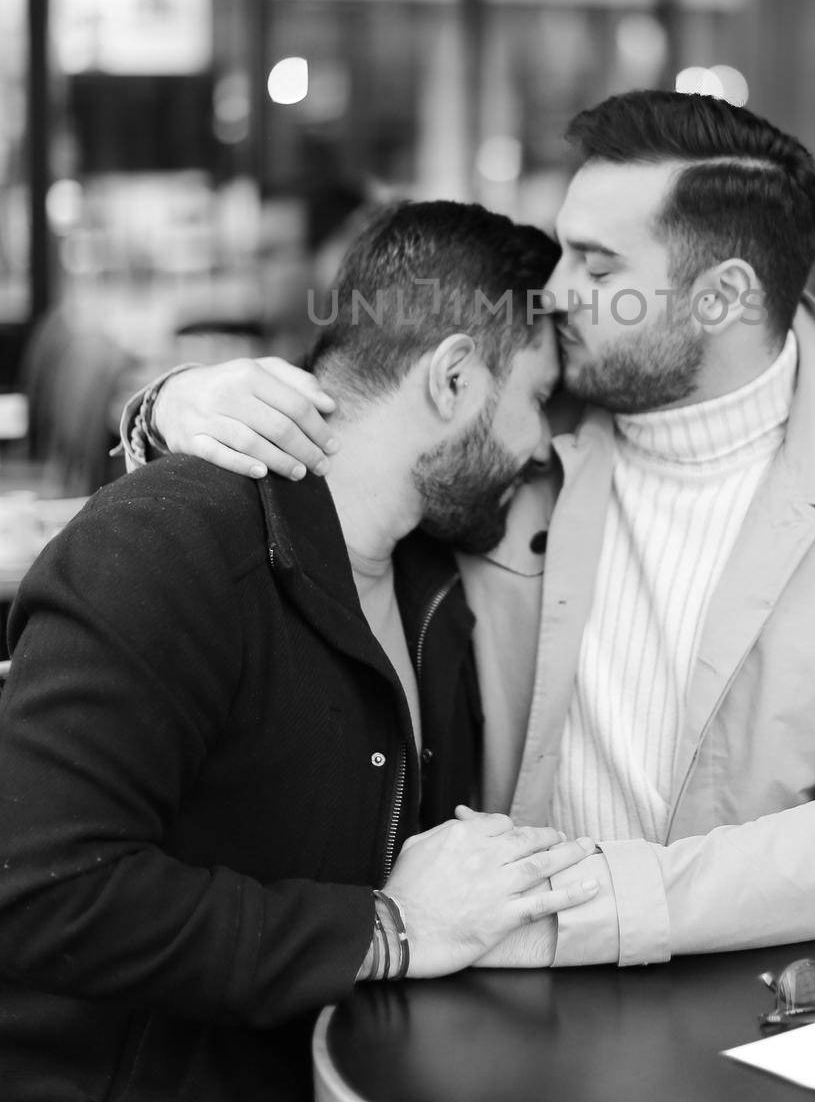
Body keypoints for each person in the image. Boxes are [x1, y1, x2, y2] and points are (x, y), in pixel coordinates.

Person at [129, 89, 815, 970]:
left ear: (723, 295)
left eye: (599, 264)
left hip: (776, 989)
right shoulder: (521, 410)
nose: (557, 290)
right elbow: (353, 422)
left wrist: (579, 910)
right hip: (501, 993)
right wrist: (171, 408)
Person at [0, 202, 599, 1102]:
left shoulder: (435, 576)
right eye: (538, 398)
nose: (541, 444)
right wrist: (383, 928)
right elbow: (36, 892)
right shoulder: (176, 542)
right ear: (454, 377)